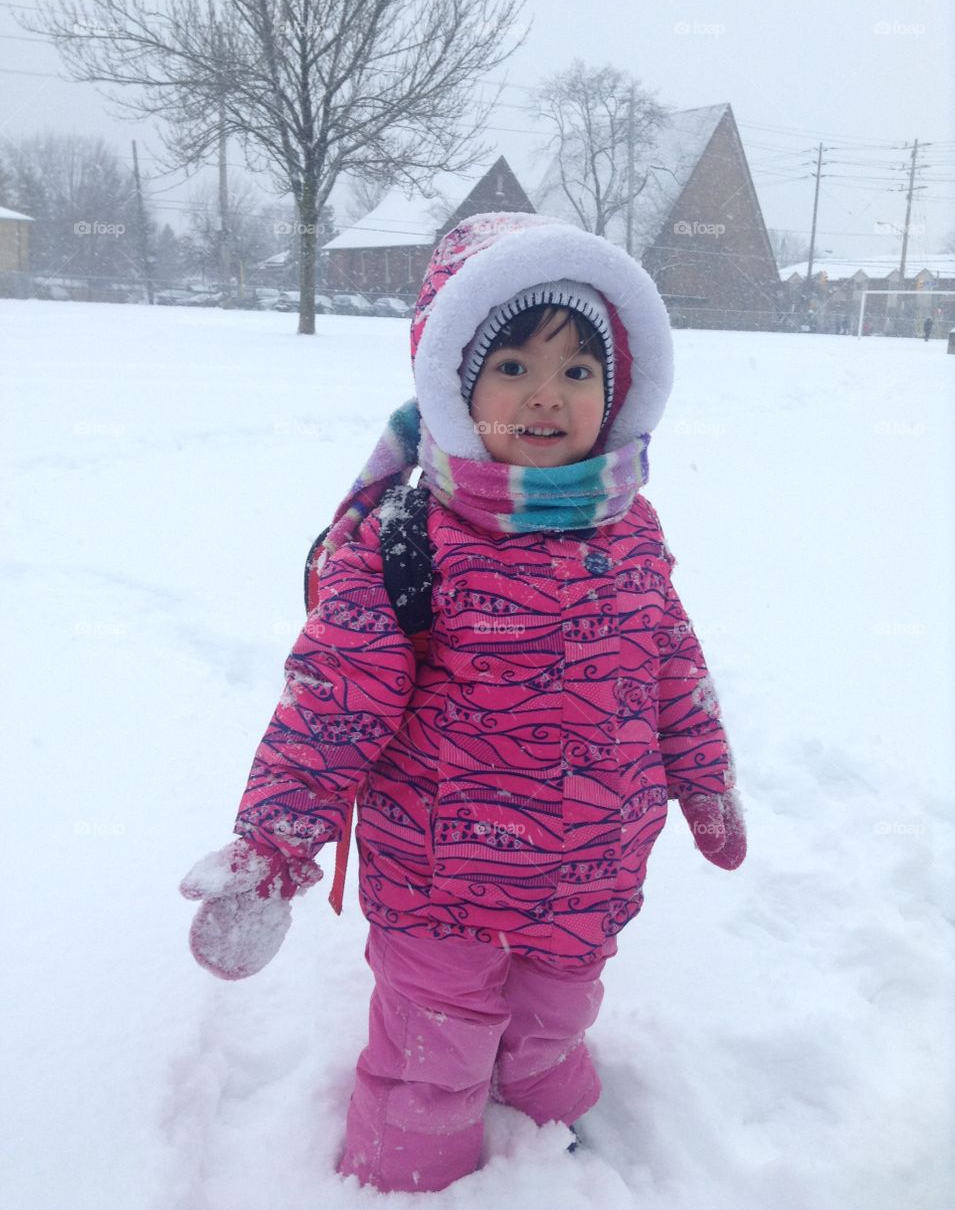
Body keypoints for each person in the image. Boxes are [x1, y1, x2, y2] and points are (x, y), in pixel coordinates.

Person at [179, 211, 747, 1193]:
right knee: (429, 1055)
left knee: (555, 1022)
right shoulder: (409, 540)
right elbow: (332, 700)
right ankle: (405, 1175)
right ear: (454, 379)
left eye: (577, 372)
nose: (545, 394)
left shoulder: (630, 528)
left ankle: (544, 1136)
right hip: (443, 884)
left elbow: (671, 662)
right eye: (513, 364)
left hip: (590, 876)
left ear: (616, 393)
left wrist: (703, 781)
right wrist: (276, 841)